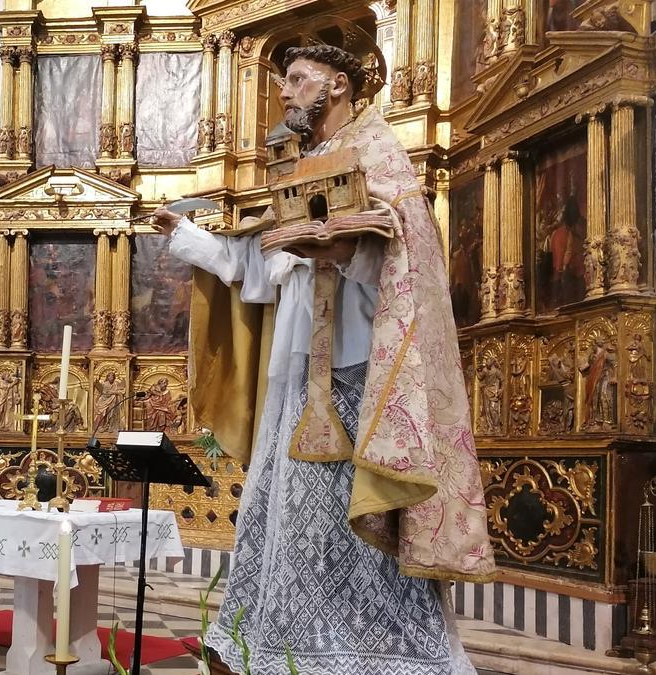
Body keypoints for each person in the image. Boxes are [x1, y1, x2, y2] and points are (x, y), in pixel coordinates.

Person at [151, 26, 493, 674]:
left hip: (361, 374)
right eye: (282, 82)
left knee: (359, 528)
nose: (285, 92)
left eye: (298, 79)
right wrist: (188, 235)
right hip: (293, 377)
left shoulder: (378, 152)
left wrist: (346, 249)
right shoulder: (294, 172)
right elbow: (252, 266)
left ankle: (386, 654)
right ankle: (279, 647)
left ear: (338, 84)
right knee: (285, 524)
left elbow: (409, 257)